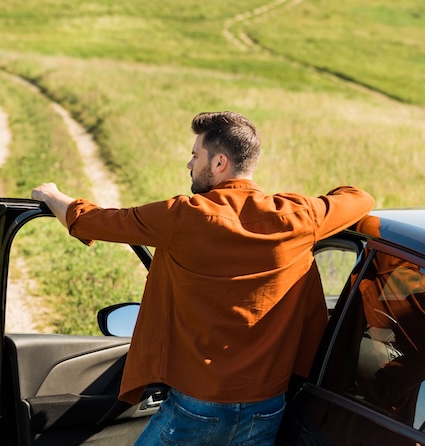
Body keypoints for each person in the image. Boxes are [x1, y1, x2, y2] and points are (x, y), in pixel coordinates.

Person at [32, 111, 374, 446]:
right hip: (267, 408)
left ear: (220, 162)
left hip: (197, 408)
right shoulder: (299, 216)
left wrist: (51, 196)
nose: (189, 164)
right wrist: (308, 206)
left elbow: (98, 221)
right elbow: (360, 198)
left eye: (196, 155)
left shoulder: (185, 216)